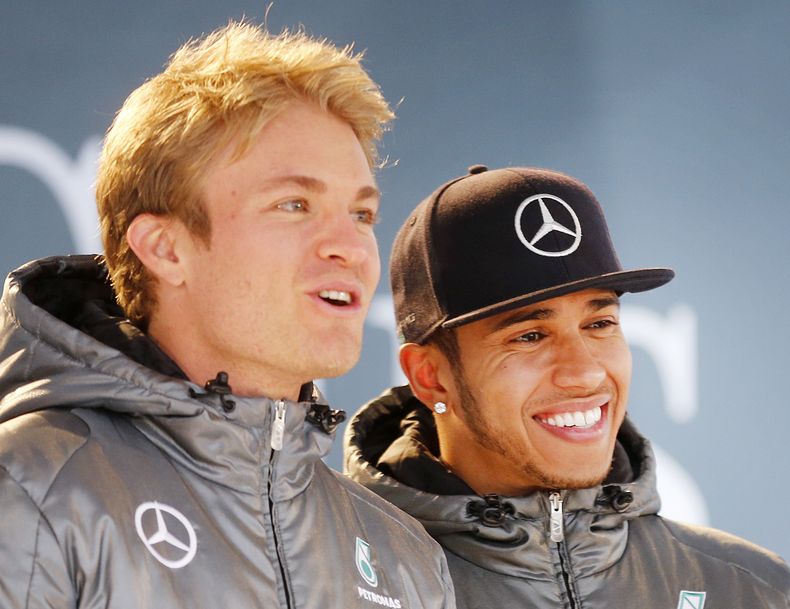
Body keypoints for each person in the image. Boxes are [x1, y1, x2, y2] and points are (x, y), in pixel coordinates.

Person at [0, 21, 455, 609]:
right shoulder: (31, 489)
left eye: (361, 214)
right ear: (167, 249)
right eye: (295, 204)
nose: (350, 246)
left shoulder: (404, 557)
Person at [345, 165, 790, 608]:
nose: (585, 372)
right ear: (430, 375)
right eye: (530, 336)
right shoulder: (338, 582)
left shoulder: (756, 589)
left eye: (599, 324)